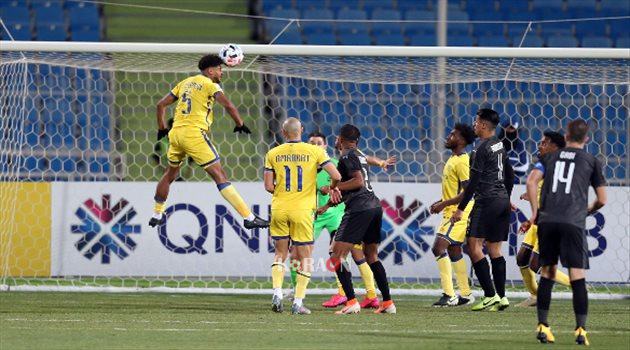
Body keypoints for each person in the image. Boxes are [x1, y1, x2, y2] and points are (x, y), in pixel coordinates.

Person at [148, 54, 268, 229]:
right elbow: (228, 105)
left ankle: (157, 213)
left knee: (170, 174)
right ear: (210, 70)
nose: (222, 72)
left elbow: (160, 105)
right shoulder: (210, 85)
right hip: (193, 134)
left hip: (175, 134)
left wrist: (161, 129)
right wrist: (240, 124)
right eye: (220, 69)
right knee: (220, 176)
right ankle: (249, 218)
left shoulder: (185, 83)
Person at [526, 120, 606, 345]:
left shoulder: (549, 158)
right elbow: (602, 199)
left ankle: (543, 325)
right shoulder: (591, 161)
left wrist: (535, 212)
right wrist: (587, 211)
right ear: (586, 139)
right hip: (573, 221)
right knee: (577, 275)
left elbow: (531, 181)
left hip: (548, 220)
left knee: (548, 273)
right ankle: (580, 330)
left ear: (566, 135)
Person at [302, 131, 396, 309]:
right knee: (371, 255)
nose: (336, 139)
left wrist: (332, 187)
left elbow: (358, 182)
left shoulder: (345, 156)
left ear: (343, 140)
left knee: (335, 254)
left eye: (337, 137)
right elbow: (351, 185)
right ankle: (388, 302)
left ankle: (351, 301)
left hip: (359, 209)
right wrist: (327, 205)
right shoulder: (359, 155)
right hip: (374, 206)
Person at [264, 118, 342, 315]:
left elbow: (268, 186)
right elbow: (337, 176)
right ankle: (298, 302)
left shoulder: (272, 153)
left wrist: (284, 194)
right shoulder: (315, 151)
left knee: (280, 253)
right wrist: (332, 189)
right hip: (303, 210)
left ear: (283, 132)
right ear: (302, 130)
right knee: (305, 256)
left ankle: (277, 292)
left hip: (280, 208)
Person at [451, 108, 514, 312]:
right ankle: (502, 297)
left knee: (473, 246)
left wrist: (460, 209)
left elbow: (473, 183)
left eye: (477, 122)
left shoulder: (480, 149)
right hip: (501, 200)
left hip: (486, 200)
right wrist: (507, 197)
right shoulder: (499, 145)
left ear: (485, 125)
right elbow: (510, 175)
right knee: (495, 250)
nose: (474, 125)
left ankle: (489, 295)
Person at [516, 131, 571, 307]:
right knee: (522, 258)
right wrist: (530, 195)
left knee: (535, 264)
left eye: (544, 143)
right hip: (538, 220)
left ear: (555, 147)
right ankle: (535, 296)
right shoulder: (546, 164)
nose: (540, 146)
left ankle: (577, 284)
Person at [429, 123, 476, 307]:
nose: (449, 136)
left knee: (438, 248)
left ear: (462, 140)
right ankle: (465, 294)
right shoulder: (453, 159)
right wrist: (441, 201)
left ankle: (449, 294)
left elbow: (467, 192)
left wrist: (444, 204)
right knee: (454, 250)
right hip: (451, 210)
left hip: (459, 212)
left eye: (453, 134)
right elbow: (453, 189)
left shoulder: (463, 161)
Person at [499, 115, 529, 181]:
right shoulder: (496, 143)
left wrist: (505, 164)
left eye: (512, 128)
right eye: (508, 128)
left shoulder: (520, 145)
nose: (510, 131)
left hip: (515, 180)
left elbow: (524, 166)